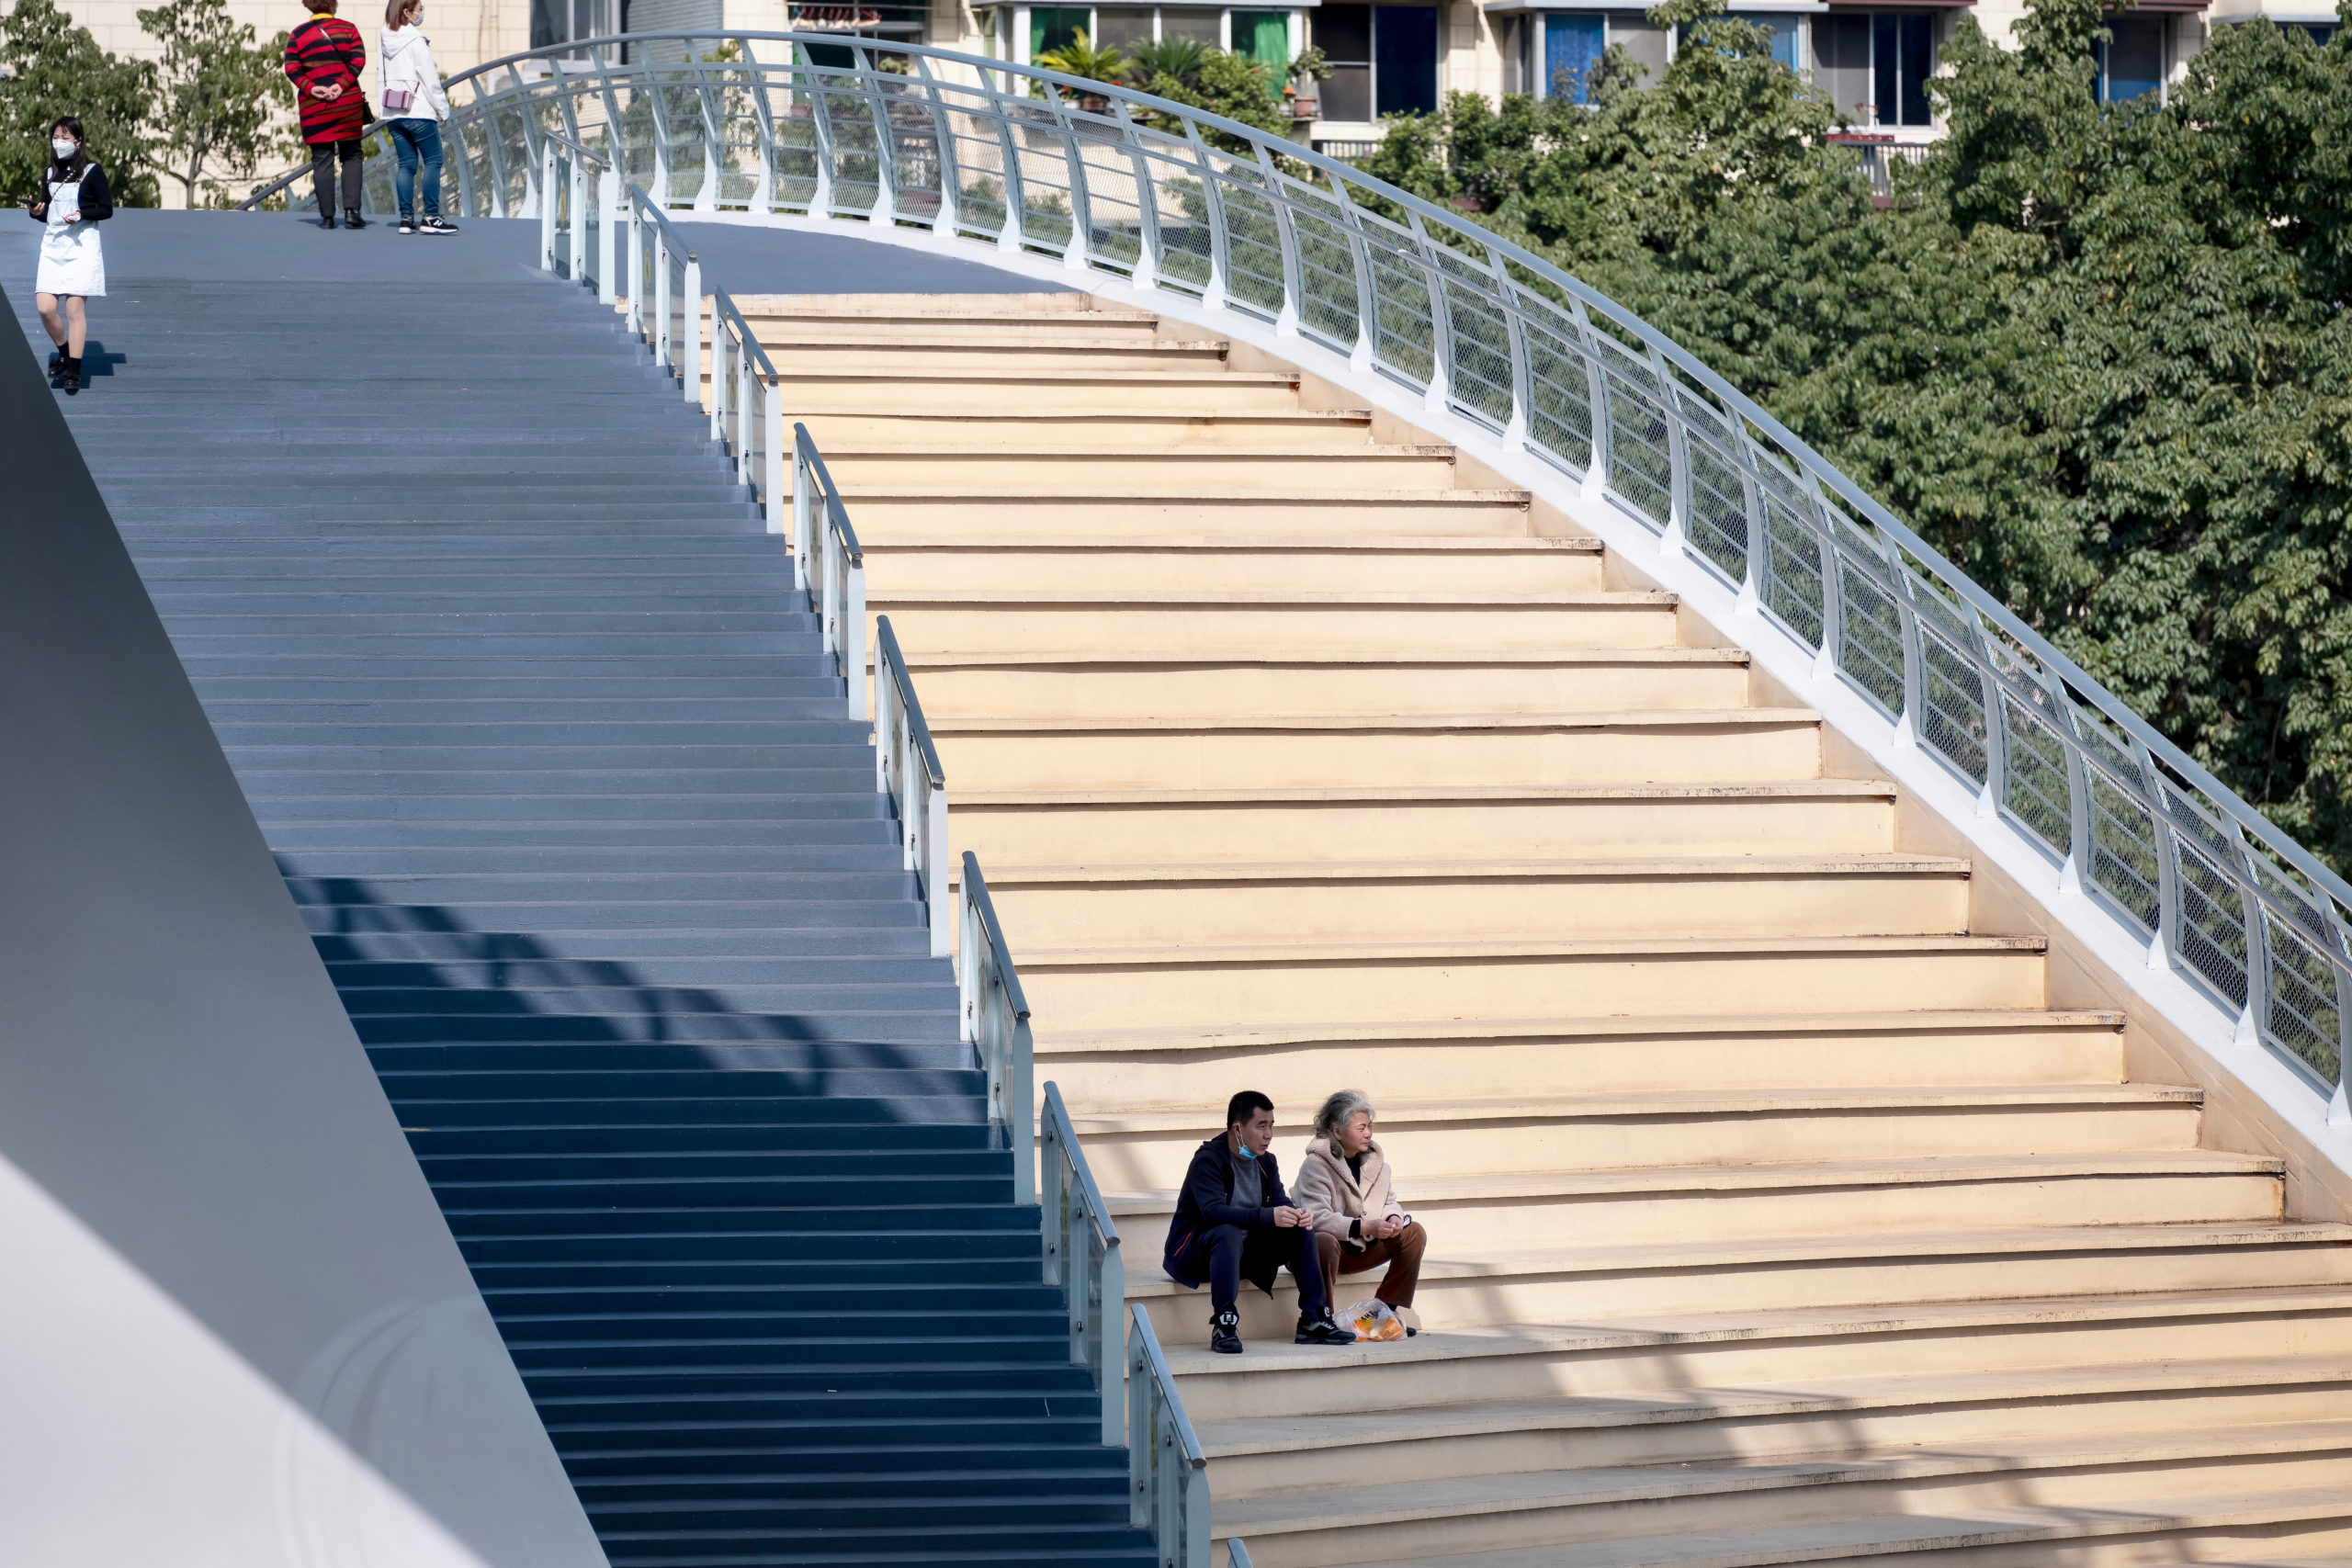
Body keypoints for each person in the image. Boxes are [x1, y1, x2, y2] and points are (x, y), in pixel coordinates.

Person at [1162, 1090, 1357, 1355]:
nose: (1269, 1134)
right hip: (1198, 1254)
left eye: (1271, 1126)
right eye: (1261, 1126)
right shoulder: (1208, 1160)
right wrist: (1266, 1216)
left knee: (1300, 1229)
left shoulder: (1266, 1161)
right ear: (1238, 1129)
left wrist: (1297, 1213)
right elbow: (1212, 1212)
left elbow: (1279, 1200)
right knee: (1227, 1232)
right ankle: (1224, 1323)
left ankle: (1313, 1319)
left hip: (1243, 1254)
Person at [1296, 1089, 1428, 1339]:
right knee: (1321, 1240)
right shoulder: (1315, 1165)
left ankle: (1382, 1315)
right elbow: (1318, 1218)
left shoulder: (1378, 1165)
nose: (1368, 1133)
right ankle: (1321, 1319)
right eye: (1361, 1127)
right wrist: (1367, 1227)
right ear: (1337, 1132)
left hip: (1360, 1249)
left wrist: (1393, 1219)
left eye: (1370, 1126)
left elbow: (1389, 1201)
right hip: (1319, 1254)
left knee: (1414, 1233)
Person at [28, 117, 111, 396]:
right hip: (53, 246)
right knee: (45, 307)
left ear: (78, 141)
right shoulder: (48, 173)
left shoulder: (92, 172)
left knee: (75, 310)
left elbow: (106, 209)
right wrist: (36, 212)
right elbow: (47, 213)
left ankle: (73, 369)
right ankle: (63, 351)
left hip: (81, 245)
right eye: (56, 137)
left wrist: (82, 215)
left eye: (66, 137)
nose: (59, 142)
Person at [285, 0, 369, 230]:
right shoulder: (348, 29)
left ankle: (327, 218)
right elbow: (358, 59)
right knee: (351, 154)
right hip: (347, 103)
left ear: (308, 6)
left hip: (315, 107)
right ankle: (352, 212)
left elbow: (291, 68)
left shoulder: (298, 34)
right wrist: (341, 85)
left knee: (322, 159)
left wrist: (311, 87)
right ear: (333, 5)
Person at [379, 0, 457, 234]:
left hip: (393, 112)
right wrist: (443, 110)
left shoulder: (385, 39)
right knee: (433, 161)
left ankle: (406, 219)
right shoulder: (416, 41)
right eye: (420, 9)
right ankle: (431, 217)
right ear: (407, 12)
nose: (422, 13)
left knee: (407, 165)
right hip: (419, 112)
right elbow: (429, 79)